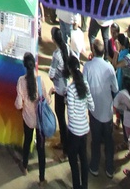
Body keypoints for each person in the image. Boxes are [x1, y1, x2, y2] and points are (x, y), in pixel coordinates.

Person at [83, 37, 116, 179]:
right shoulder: (109, 68)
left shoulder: (88, 67)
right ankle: (109, 168)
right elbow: (115, 88)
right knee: (109, 141)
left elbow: (84, 88)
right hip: (107, 112)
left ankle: (95, 166)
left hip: (94, 111)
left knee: (95, 140)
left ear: (93, 50)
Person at [15, 51, 47, 184]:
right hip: (40, 120)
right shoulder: (40, 81)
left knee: (27, 142)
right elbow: (47, 100)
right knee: (41, 148)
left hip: (28, 119)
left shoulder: (21, 81)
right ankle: (42, 178)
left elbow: (18, 104)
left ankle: (25, 166)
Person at [63, 55, 90, 189]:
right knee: (83, 159)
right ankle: (84, 186)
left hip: (74, 131)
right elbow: (92, 106)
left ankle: (76, 186)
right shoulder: (85, 85)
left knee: (74, 162)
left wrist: (67, 102)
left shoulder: (70, 89)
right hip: (84, 129)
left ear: (69, 69)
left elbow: (71, 115)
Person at [48, 25, 70, 149]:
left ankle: (64, 144)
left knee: (60, 116)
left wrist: (54, 78)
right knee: (63, 116)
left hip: (59, 88)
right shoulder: (66, 47)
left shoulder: (56, 54)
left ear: (53, 39)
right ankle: (65, 141)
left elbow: (51, 73)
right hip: (66, 85)